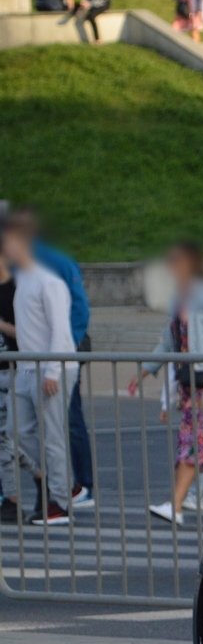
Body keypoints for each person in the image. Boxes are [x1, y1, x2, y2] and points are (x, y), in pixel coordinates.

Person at [129, 242, 203, 527]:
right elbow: (168, 339)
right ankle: (189, 506)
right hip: (190, 386)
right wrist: (146, 370)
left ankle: (186, 506)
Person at [16, 211, 95, 507]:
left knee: (68, 421)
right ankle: (66, 484)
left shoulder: (56, 261)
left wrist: (62, 354)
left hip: (59, 355)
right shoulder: (23, 265)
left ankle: (78, 486)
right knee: (48, 426)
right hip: (34, 358)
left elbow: (78, 311)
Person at [1, 217, 75, 527]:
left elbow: (60, 329)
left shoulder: (48, 282)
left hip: (51, 367)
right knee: (15, 431)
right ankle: (52, 482)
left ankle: (60, 502)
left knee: (54, 436)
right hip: (27, 368)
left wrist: (52, 372)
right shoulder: (25, 282)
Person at [0, 248, 18, 523]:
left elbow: (24, 332)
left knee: (7, 437)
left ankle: (12, 498)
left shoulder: (14, 291)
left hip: (8, 373)